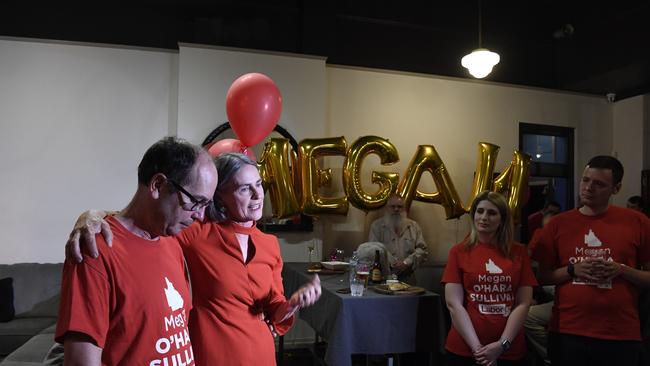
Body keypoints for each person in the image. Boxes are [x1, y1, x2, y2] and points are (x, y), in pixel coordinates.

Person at [69, 152, 321, 366]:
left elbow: (273, 307)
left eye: (259, 184)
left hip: (261, 355)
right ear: (219, 196)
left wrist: (291, 305)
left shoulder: (269, 244)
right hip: (212, 355)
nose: (258, 195)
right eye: (245, 188)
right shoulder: (196, 230)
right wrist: (94, 215)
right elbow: (142, 222)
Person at [55, 137, 218, 365]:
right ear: (157, 185)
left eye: (205, 205)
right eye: (195, 202)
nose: (200, 215)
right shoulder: (95, 250)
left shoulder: (172, 243)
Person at [532, 155, 650, 366]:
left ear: (616, 188)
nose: (588, 188)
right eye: (585, 180)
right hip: (568, 331)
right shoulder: (558, 224)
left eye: (599, 184)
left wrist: (621, 270)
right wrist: (572, 270)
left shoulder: (638, 222)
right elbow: (543, 277)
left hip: (620, 334)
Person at [442, 191, 536, 366]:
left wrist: (502, 345)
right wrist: (478, 349)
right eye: (480, 211)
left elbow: (523, 303)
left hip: (509, 350)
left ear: (502, 219)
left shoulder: (518, 252)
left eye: (492, 213)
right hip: (465, 349)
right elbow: (453, 304)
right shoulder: (459, 251)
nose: (484, 217)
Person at [368, 194, 428, 283]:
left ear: (404, 209)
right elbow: (374, 249)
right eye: (393, 207)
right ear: (387, 208)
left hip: (408, 279)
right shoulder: (376, 226)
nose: (396, 209)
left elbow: (422, 250)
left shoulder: (414, 226)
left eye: (400, 207)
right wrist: (393, 263)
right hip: (383, 279)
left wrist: (406, 263)